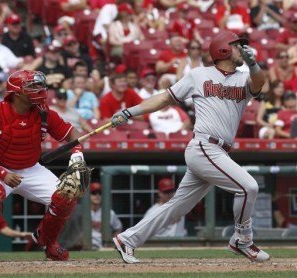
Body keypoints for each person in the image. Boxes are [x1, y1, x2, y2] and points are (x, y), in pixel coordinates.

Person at [111, 30, 270, 263]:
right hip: (205, 146)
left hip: (217, 151)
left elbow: (260, 84)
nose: (242, 50)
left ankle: (128, 239)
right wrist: (130, 111)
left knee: (176, 207)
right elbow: (165, 99)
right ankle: (243, 239)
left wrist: (253, 64)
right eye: (237, 46)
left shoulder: (244, 77)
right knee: (248, 187)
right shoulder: (198, 75)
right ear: (223, 49)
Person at [0, 69, 87, 260]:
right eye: (33, 86)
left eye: (40, 85)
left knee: (67, 197)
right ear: (17, 92)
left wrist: (77, 155)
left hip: (31, 168)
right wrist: (4, 174)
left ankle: (46, 240)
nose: (40, 89)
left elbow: (73, 134)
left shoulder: (44, 112)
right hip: (1, 168)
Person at [90, 182, 123, 250]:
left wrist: (115, 244)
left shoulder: (109, 213)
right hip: (84, 247)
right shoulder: (81, 212)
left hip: (102, 247)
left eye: (100, 193)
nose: (97, 195)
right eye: (94, 193)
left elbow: (118, 228)